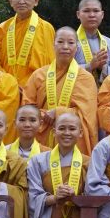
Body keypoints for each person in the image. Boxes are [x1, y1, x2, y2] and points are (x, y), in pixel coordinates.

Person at [22, 26, 99, 155]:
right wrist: (45, 116)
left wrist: (58, 112)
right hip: (42, 137)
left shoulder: (85, 77)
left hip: (71, 137)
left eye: (71, 42)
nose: (65, 46)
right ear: (53, 45)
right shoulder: (38, 75)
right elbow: (26, 108)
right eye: (60, 42)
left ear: (77, 47)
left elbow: (87, 114)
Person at [0, 0, 55, 84]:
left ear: (36, 0)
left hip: (35, 86)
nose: (21, 2)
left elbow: (48, 62)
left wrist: (29, 85)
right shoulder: (2, 29)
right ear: (11, 1)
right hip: (5, 86)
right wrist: (8, 83)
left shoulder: (46, 28)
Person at [70, 0, 110, 78]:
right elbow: (62, 69)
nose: (92, 15)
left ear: (102, 15)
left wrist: (103, 68)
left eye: (96, 11)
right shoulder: (68, 42)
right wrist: (89, 66)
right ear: (78, 14)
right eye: (86, 11)